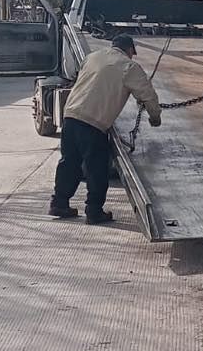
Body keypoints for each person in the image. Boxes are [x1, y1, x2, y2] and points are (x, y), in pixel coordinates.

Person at [49, 34, 162, 224]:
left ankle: (59, 203)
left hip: (71, 116)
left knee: (69, 162)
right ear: (129, 50)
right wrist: (155, 116)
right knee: (97, 169)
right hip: (93, 123)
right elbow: (147, 93)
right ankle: (94, 211)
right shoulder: (129, 66)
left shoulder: (92, 57)